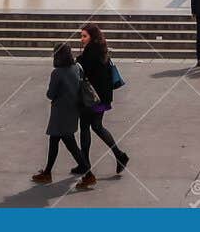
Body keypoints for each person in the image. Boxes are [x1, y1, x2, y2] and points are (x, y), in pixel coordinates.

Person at [32, 43, 92, 188]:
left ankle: (89, 174)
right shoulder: (77, 67)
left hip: (60, 112)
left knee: (70, 144)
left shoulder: (57, 73)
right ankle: (47, 171)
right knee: (54, 140)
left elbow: (50, 94)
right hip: (73, 110)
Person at [76, 23, 130, 179]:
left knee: (86, 127)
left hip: (92, 98)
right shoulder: (101, 50)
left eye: (84, 36)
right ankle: (119, 155)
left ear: (92, 37)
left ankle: (85, 165)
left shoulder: (90, 53)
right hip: (102, 98)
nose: (82, 39)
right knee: (97, 126)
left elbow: (81, 66)